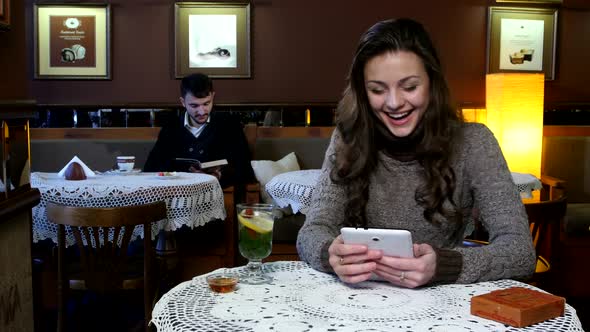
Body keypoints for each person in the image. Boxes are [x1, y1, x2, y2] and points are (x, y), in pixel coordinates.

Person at [296, 18, 536, 288]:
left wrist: (443, 265)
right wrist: (331, 254)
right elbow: (312, 231)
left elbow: (520, 252)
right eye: (377, 89)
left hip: (440, 304)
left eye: (409, 87)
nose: (394, 103)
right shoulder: (348, 137)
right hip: (359, 298)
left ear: (432, 83)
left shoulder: (475, 142)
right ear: (363, 92)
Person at [144, 73, 255, 200]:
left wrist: (219, 176)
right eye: (194, 106)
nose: (202, 111)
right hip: (177, 198)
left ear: (213, 97)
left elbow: (245, 169)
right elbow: (152, 168)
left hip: (219, 197)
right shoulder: (171, 127)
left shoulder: (229, 125)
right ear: (183, 102)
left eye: (206, 103)